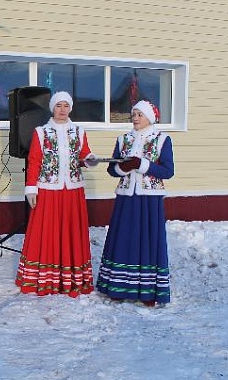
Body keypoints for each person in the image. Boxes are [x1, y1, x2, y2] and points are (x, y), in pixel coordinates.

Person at [15, 91, 97, 298]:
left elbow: (83, 153)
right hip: (48, 190)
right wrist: (31, 188)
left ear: (70, 108)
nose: (62, 110)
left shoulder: (78, 131)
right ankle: (45, 278)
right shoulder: (41, 132)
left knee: (71, 232)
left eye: (66, 106)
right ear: (52, 108)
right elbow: (34, 161)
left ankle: (71, 279)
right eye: (58, 106)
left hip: (72, 191)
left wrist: (90, 159)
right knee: (48, 232)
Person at [96, 100, 174, 307]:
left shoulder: (162, 139)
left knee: (148, 241)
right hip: (126, 197)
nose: (136, 118)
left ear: (151, 116)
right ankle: (118, 287)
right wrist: (123, 168)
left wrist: (142, 164)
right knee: (123, 239)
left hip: (150, 199)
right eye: (134, 114)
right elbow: (112, 169)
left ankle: (148, 292)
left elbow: (168, 171)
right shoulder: (123, 139)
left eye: (140, 114)